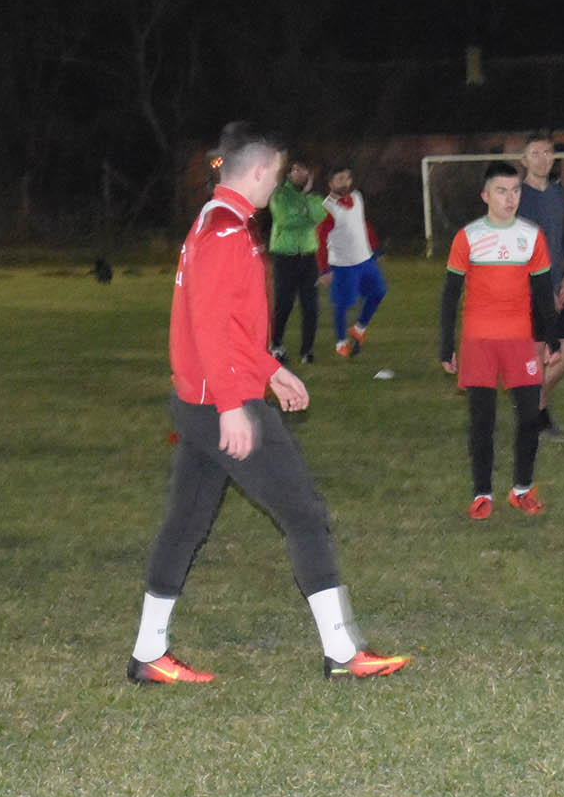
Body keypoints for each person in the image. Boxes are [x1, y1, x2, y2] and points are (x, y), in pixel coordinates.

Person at [127, 123, 408, 685]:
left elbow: (232, 326)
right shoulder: (225, 231)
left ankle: (148, 653)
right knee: (304, 513)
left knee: (185, 523)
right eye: (276, 174)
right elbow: (210, 327)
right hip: (218, 403)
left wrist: (271, 370)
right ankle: (342, 651)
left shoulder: (218, 221)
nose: (276, 183)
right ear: (258, 170)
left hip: (202, 401)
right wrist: (234, 405)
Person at [439, 162, 563, 518]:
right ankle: (482, 494)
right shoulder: (468, 237)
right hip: (478, 342)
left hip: (519, 341)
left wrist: (551, 338)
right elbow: (450, 294)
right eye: (501, 191)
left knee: (529, 417)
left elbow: (543, 292)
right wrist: (446, 344)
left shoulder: (531, 236)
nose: (510, 199)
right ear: (485, 195)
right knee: (483, 420)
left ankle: (522, 489)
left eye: (515, 191)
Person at [518, 136, 564, 438]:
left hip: (559, 286)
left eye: (547, 152)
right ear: (524, 160)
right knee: (536, 357)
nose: (542, 158)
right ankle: (538, 419)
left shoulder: (559, 194)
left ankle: (532, 404)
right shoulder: (516, 198)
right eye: (535, 153)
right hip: (529, 290)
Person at [316, 166, 387, 359]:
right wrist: (324, 270)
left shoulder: (357, 196)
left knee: (378, 292)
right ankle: (341, 342)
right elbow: (320, 240)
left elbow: (362, 224)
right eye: (339, 179)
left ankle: (359, 328)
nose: (345, 182)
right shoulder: (327, 208)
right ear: (331, 183)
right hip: (343, 264)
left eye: (347, 178)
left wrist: (375, 248)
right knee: (342, 304)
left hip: (365, 259)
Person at [266, 158, 327, 364]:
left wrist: (306, 197)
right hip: (285, 256)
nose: (300, 174)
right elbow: (285, 220)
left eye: (304, 170)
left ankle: (307, 350)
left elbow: (320, 216)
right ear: (289, 173)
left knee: (311, 306)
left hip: (308, 256)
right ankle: (276, 344)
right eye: (296, 170)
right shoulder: (280, 195)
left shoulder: (315, 197)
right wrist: (306, 216)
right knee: (284, 303)